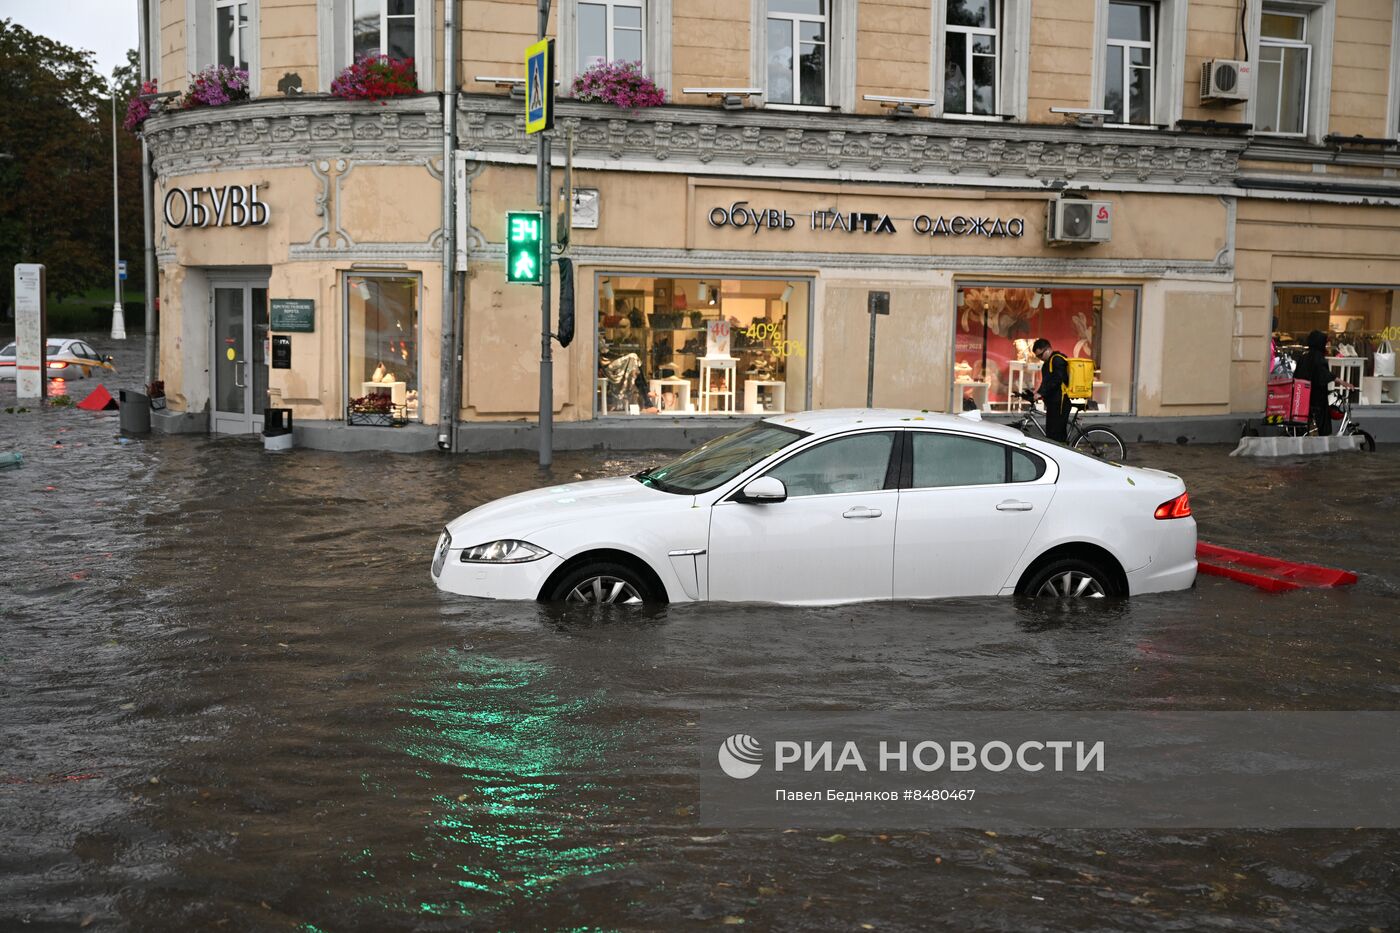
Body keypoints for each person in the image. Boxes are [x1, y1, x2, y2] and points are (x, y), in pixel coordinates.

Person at [1292, 329, 1335, 436]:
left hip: (1301, 396)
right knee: (1319, 423)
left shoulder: (1304, 357)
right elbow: (1322, 375)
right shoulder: (1319, 358)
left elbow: (1297, 375)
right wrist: (1338, 379)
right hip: (1317, 398)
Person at [1033, 337, 1071, 442]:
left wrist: (1041, 392)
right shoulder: (1047, 363)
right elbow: (1046, 381)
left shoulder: (1057, 360)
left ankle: (1064, 454)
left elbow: (1056, 380)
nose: (1040, 358)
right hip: (1053, 402)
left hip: (1060, 402)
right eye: (1037, 357)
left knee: (1056, 435)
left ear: (1048, 349)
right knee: (1052, 434)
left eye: (1041, 355)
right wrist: (1038, 391)